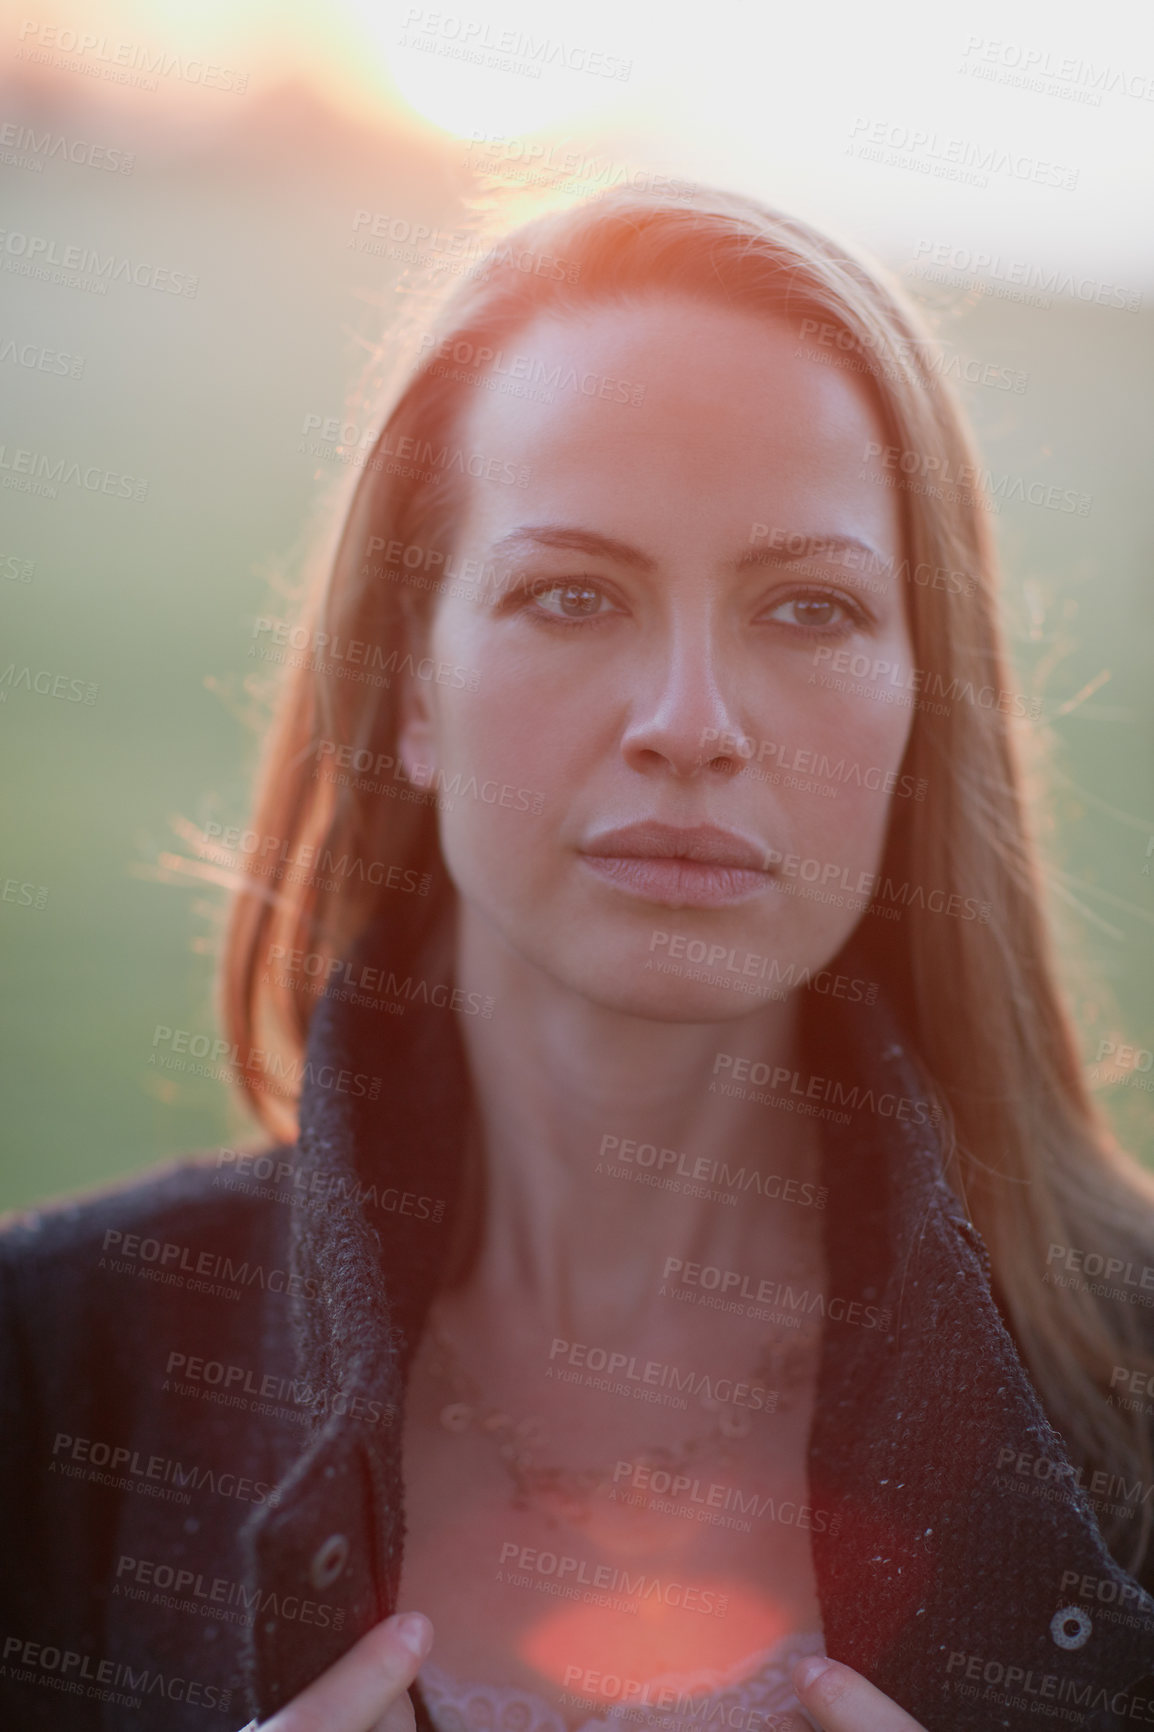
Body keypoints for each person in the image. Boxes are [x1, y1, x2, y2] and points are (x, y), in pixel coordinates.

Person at [3, 186, 1154, 1732]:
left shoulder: (1128, 1384)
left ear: (915, 710)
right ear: (413, 682)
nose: (688, 721)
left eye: (806, 608)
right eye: (571, 594)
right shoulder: (53, 1365)